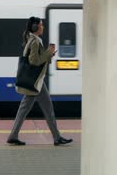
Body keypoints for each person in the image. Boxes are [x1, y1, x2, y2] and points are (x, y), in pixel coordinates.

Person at [7, 16, 73, 146]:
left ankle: (14, 135)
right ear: (36, 27)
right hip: (35, 82)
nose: (43, 27)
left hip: (36, 82)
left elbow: (37, 59)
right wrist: (48, 53)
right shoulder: (36, 41)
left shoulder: (32, 39)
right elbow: (34, 61)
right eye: (41, 25)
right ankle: (57, 137)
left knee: (27, 109)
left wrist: (49, 55)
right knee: (46, 109)